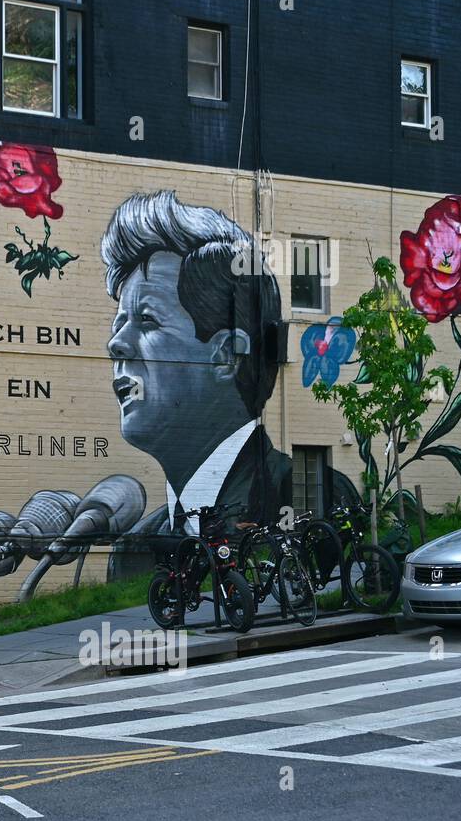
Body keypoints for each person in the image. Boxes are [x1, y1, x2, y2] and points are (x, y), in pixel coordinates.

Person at [100, 190, 359, 578]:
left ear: (225, 356)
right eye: (119, 324)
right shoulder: (136, 547)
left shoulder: (304, 495)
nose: (115, 344)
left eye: (147, 320)